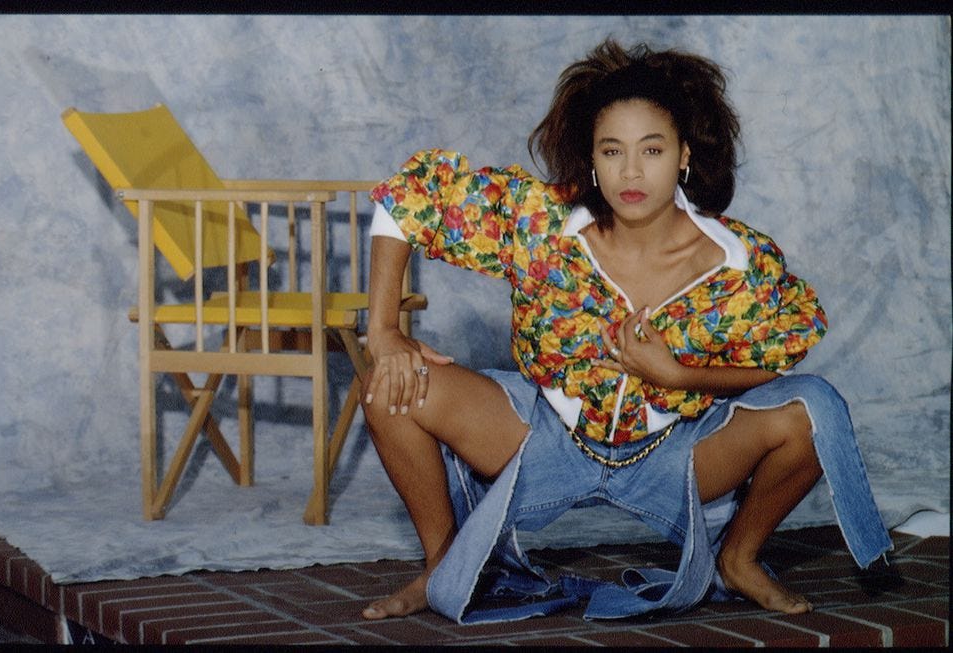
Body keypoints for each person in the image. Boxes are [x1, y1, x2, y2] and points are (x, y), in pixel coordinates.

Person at [359, 40, 891, 624]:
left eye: (652, 150)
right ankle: (443, 562)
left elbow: (779, 359)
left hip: (675, 453)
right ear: (591, 159)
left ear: (683, 155)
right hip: (543, 438)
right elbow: (409, 200)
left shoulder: (738, 263)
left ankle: (737, 557)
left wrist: (677, 374)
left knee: (813, 406)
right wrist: (384, 330)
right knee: (390, 391)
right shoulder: (543, 226)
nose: (631, 172)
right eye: (612, 151)